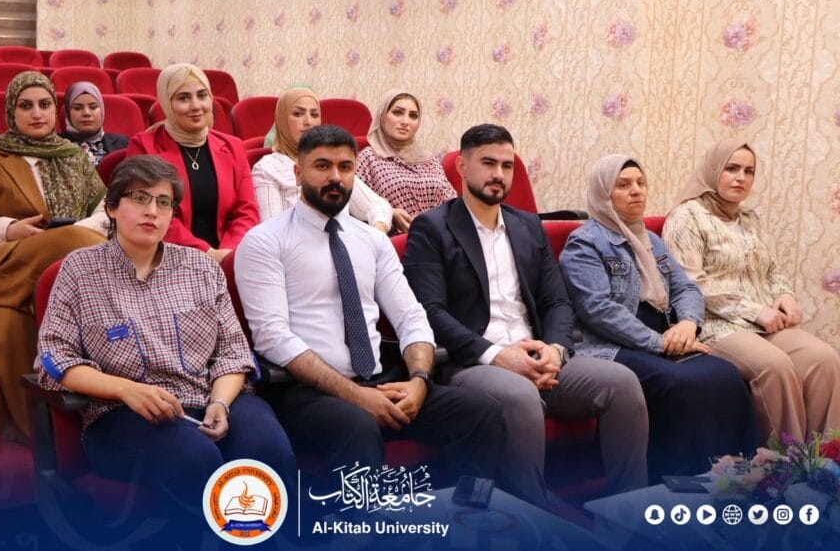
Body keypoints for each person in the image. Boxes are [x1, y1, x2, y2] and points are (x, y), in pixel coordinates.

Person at [36, 155, 294, 536]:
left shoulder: (201, 268)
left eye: (163, 202)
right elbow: (54, 359)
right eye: (139, 198)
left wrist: (220, 403)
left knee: (267, 449)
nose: (152, 211)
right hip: (123, 413)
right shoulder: (79, 271)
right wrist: (127, 390)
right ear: (112, 208)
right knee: (195, 458)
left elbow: (233, 353)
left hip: (212, 397)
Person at [235, 125, 504, 488]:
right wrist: (355, 396)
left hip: (380, 381)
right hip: (306, 392)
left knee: (481, 412)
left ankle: (461, 515)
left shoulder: (372, 240)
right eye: (322, 166)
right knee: (358, 426)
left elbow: (411, 317)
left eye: (345, 167)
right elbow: (272, 337)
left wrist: (419, 382)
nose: (335, 177)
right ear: (298, 174)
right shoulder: (265, 241)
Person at [403, 125, 648, 505]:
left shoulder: (527, 225)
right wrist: (497, 355)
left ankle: (628, 509)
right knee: (519, 396)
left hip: (536, 353)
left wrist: (556, 351)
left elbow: (557, 302)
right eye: (488, 163)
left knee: (622, 383)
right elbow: (430, 312)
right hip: (471, 361)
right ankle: (533, 513)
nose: (498, 174)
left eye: (507, 166)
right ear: (462, 167)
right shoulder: (432, 227)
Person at [559, 154, 755, 480]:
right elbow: (598, 310)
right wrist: (659, 342)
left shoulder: (650, 240)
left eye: (641, 183)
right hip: (613, 345)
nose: (636, 191)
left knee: (726, 375)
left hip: (666, 335)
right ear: (603, 193)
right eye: (623, 185)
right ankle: (676, 481)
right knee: (678, 383)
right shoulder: (585, 243)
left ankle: (734, 480)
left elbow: (686, 288)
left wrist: (688, 324)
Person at [0, 71, 108, 442]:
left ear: (55, 110)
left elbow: (106, 210)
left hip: (68, 264)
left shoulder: (74, 156)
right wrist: (7, 229)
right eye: (25, 105)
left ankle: (80, 420)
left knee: (12, 317)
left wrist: (77, 230)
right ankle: (45, 432)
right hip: (5, 265)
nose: (37, 113)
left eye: (45, 104)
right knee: (73, 242)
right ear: (11, 111)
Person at [663, 139, 840, 442]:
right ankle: (785, 462)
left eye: (749, 171)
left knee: (824, 359)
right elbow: (691, 283)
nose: (741, 178)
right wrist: (755, 311)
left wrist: (785, 296)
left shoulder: (751, 219)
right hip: (714, 324)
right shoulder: (685, 217)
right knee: (775, 366)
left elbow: (771, 271)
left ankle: (825, 457)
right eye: (732, 169)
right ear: (713, 170)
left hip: (762, 322)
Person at [126, 63, 258, 263]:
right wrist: (206, 253)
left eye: (202, 95)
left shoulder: (233, 146)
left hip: (228, 256)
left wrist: (228, 254)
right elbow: (151, 212)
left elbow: (247, 210)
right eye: (183, 98)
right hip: (166, 257)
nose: (196, 106)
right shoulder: (144, 146)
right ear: (166, 103)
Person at [251, 85, 393, 230]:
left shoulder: (332, 160)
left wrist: (377, 233)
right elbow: (273, 230)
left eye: (314, 115)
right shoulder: (266, 169)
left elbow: (378, 205)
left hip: (344, 241)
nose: (308, 122)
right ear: (282, 120)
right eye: (298, 114)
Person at [356, 89, 456, 232]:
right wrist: (389, 213)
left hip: (438, 234)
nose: (405, 121)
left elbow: (451, 203)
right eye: (398, 113)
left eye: (413, 116)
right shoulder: (368, 158)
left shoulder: (429, 160)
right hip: (393, 238)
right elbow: (355, 206)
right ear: (382, 116)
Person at [57, 81, 128, 167]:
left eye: (93, 107)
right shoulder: (55, 146)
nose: (86, 113)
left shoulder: (123, 144)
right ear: (68, 113)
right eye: (78, 108)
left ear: (102, 110)